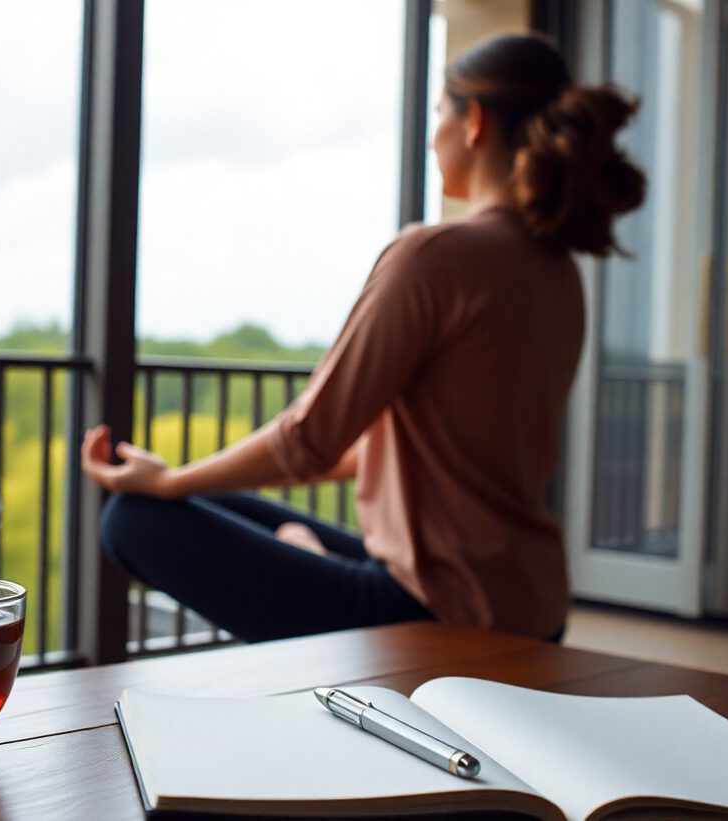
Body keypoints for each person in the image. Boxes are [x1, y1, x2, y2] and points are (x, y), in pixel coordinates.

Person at [81, 33, 645, 643]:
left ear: (474, 121)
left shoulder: (435, 255)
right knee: (223, 511)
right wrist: (296, 541)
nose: (433, 136)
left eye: (438, 115)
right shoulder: (558, 273)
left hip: (440, 613)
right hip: (532, 604)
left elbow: (309, 441)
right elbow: (365, 451)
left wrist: (166, 481)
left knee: (135, 518)